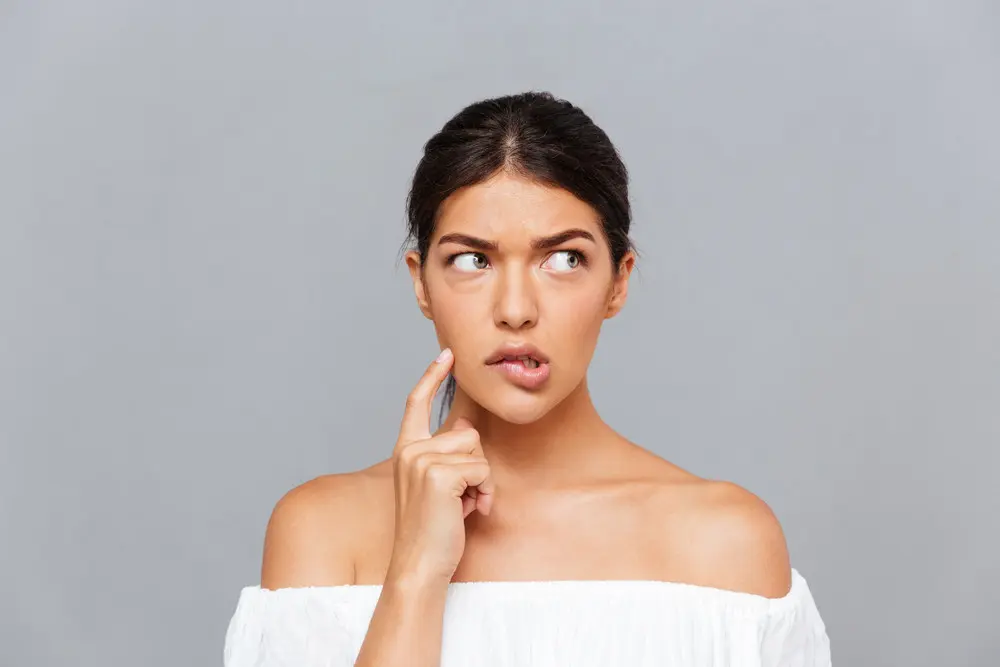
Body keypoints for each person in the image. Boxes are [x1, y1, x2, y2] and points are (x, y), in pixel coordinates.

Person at [223, 91, 832, 666]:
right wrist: (413, 571)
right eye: (473, 260)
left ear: (618, 281)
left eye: (564, 259)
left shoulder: (724, 544)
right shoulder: (325, 532)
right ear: (420, 282)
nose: (516, 309)